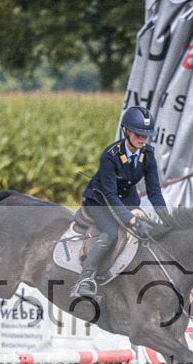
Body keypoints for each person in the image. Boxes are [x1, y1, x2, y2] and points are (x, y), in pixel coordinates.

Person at [72, 106, 167, 298]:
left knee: (148, 232)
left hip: (128, 200)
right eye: (138, 134)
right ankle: (84, 279)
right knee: (111, 233)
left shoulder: (148, 155)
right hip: (101, 200)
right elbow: (111, 195)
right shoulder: (111, 155)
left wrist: (167, 218)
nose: (142, 139)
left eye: (146, 136)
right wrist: (132, 220)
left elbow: (154, 191)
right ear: (127, 131)